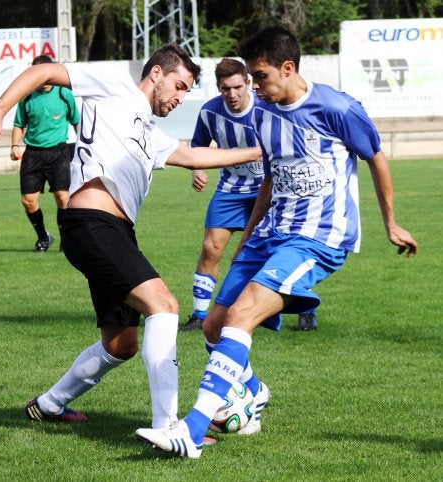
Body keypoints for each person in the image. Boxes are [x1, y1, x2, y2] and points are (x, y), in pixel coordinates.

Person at [135, 26, 418, 459]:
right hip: (267, 234)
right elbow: (270, 177)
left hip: (317, 238)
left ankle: (190, 431)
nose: (255, 86)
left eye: (261, 76)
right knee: (213, 327)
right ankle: (254, 392)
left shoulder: (337, 108)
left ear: (288, 68)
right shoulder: (262, 114)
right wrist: (249, 236)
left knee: (240, 318)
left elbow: (376, 156)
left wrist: (391, 223)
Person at [0, 44, 261, 434]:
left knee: (121, 343)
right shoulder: (114, 88)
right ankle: (168, 427)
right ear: (157, 73)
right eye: (178, 86)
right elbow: (42, 73)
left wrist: (261, 151)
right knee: (165, 307)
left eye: (186, 92)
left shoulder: (151, 132)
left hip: (115, 232)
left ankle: (49, 404)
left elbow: (193, 156)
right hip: (90, 224)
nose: (180, 98)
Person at [181, 58, 317, 332]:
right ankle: (199, 315)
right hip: (230, 190)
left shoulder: (268, 108)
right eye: (224, 89)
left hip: (270, 191)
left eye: (237, 87)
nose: (232, 94)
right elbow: (197, 147)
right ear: (218, 88)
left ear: (248, 83)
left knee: (285, 250)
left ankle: (307, 310)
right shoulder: (210, 112)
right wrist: (196, 170)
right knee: (211, 248)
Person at [11, 55, 80, 252]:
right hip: (33, 154)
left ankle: (66, 239)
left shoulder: (63, 94)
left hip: (59, 151)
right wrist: (14, 145)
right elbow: (18, 124)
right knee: (28, 200)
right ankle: (43, 237)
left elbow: (77, 122)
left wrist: (85, 146)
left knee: (62, 196)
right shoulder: (27, 97)